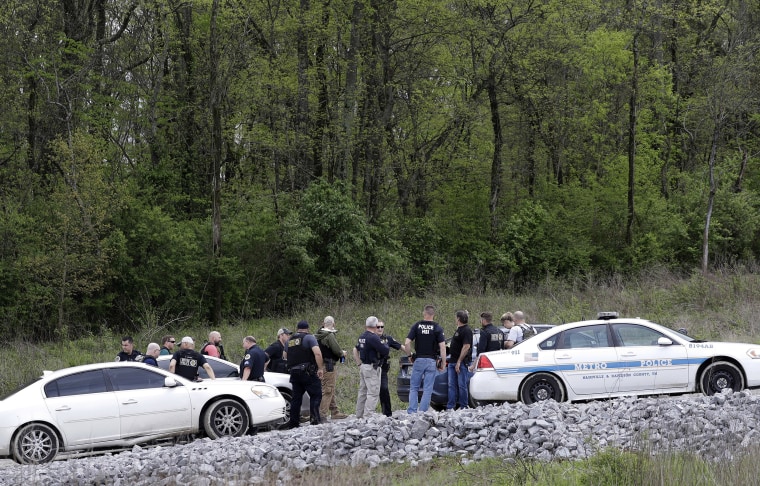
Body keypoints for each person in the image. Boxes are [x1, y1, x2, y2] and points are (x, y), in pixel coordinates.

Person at [404, 305, 446, 413]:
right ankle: (422, 412)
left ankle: (412, 411)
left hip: (419, 360)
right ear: (433, 315)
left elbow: (407, 343)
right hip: (431, 361)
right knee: (427, 388)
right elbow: (442, 347)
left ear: (424, 313)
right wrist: (443, 362)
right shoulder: (437, 327)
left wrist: (409, 355)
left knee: (414, 387)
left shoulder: (417, 326)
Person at [285, 320, 325, 428]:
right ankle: (314, 420)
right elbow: (317, 353)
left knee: (296, 398)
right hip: (308, 372)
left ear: (297, 328)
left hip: (294, 373)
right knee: (316, 395)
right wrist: (320, 368)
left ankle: (293, 424)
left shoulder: (289, 340)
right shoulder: (309, 338)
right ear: (307, 329)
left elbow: (285, 355)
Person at [353, 316, 389, 419]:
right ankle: (368, 416)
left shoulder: (362, 336)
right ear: (375, 325)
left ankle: (359, 415)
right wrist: (385, 344)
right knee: (373, 392)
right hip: (371, 367)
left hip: (364, 366)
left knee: (362, 392)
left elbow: (356, 349)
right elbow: (385, 350)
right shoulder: (373, 337)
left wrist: (359, 363)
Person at [315, 316, 348, 421]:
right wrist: (343, 353)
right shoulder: (329, 335)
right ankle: (322, 414)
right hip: (329, 365)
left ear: (323, 324)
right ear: (333, 324)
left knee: (329, 388)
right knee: (328, 390)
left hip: (320, 365)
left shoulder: (317, 335)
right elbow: (337, 350)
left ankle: (334, 411)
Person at [447, 310, 473, 410]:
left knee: (462, 385)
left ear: (458, 318)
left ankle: (463, 406)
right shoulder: (459, 330)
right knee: (451, 385)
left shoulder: (466, 330)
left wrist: (459, 361)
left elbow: (466, 346)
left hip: (461, 362)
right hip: (452, 361)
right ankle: (450, 406)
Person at [376, 320, 403, 416]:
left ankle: (387, 413)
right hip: (372, 367)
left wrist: (411, 354)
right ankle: (367, 414)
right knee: (371, 391)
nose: (380, 329)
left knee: (384, 389)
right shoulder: (371, 338)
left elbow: (400, 346)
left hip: (383, 367)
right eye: (377, 327)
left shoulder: (388, 339)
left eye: (381, 327)